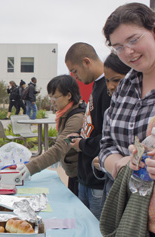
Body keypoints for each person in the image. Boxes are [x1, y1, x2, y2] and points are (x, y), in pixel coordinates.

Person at [98, 3, 155, 236]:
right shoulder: (126, 85)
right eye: (119, 47)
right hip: (129, 211)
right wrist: (119, 164)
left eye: (133, 40)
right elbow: (106, 143)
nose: (128, 52)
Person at [65, 42, 111, 220]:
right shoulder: (96, 86)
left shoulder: (108, 88)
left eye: (74, 71)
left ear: (86, 62)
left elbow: (108, 137)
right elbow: (94, 128)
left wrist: (82, 144)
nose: (74, 77)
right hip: (85, 176)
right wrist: (79, 137)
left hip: (97, 180)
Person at [17, 75, 85, 196]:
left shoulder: (76, 118)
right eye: (50, 97)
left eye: (55, 97)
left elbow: (60, 148)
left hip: (81, 176)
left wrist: (30, 168)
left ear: (69, 96)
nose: (52, 101)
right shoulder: (65, 113)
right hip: (75, 173)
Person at [92, 53, 130, 202]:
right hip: (113, 193)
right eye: (107, 81)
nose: (111, 86)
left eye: (117, 80)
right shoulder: (111, 111)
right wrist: (104, 161)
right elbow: (106, 146)